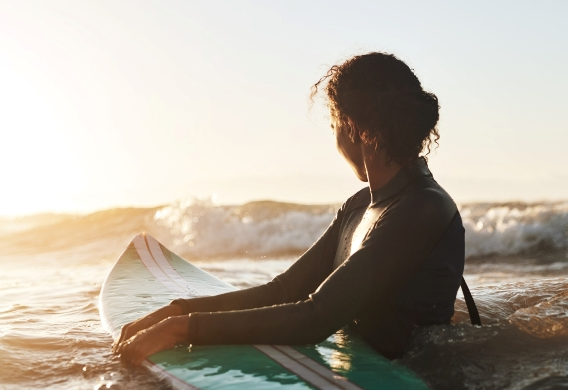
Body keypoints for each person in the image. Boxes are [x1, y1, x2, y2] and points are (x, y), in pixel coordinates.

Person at [114, 52, 467, 365]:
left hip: (420, 375)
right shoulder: (359, 206)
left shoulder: (424, 207)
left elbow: (317, 317)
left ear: (352, 128)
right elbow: (283, 291)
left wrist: (182, 331)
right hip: (365, 362)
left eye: (333, 126)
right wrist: (180, 311)